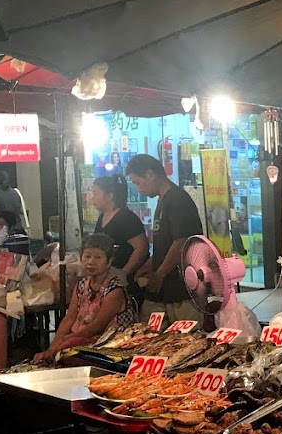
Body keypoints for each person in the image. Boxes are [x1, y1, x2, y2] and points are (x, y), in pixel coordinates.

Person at [125, 153, 203, 325]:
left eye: (138, 182)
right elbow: (165, 245)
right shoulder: (163, 201)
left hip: (183, 291)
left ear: (150, 174)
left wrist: (159, 274)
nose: (138, 189)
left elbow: (182, 242)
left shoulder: (178, 200)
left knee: (186, 342)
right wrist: (148, 265)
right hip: (164, 292)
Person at [34, 234, 137, 362]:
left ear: (109, 262)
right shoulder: (81, 286)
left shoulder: (115, 290)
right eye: (87, 256)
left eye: (98, 257)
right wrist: (51, 348)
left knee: (65, 351)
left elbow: (97, 326)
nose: (91, 262)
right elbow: (69, 319)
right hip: (82, 340)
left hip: (109, 347)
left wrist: (65, 341)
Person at [90, 173, 149, 278]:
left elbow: (141, 248)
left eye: (96, 193)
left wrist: (123, 273)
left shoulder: (126, 218)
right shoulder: (101, 218)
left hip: (125, 281)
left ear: (109, 196)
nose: (92, 198)